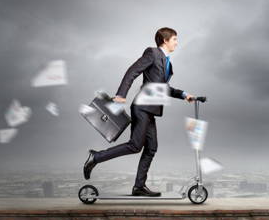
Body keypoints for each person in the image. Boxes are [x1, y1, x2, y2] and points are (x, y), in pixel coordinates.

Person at [83, 27, 195, 196]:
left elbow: (162, 88)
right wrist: (121, 94)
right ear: (165, 40)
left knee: (151, 147)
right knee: (136, 145)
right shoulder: (152, 53)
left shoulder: (167, 63)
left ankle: (139, 187)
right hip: (142, 107)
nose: (177, 43)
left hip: (150, 110)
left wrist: (183, 94)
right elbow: (132, 71)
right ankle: (96, 157)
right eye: (175, 39)